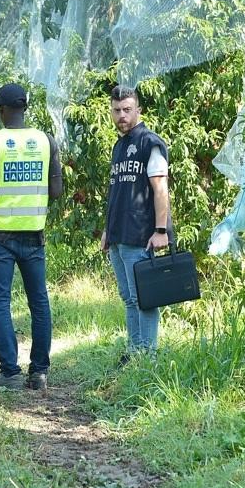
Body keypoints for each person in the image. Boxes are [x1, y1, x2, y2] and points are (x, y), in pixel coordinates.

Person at [0, 83, 62, 392]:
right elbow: (56, 191)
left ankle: (10, 372)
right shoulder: (46, 141)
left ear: (0, 110)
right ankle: (39, 372)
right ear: (26, 108)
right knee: (39, 301)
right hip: (34, 233)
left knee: (0, 302)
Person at [101, 84, 171, 361]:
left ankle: (148, 356)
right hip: (119, 234)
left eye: (127, 110)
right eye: (117, 110)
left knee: (144, 297)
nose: (122, 115)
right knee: (129, 298)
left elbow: (160, 189)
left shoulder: (149, 142)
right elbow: (118, 192)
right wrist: (108, 230)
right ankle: (134, 351)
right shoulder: (119, 145)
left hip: (141, 234)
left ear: (138, 110)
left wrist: (161, 230)